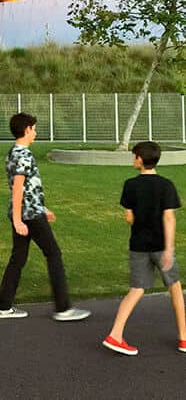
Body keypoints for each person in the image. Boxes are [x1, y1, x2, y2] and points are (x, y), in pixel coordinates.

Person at [0, 113, 90, 321]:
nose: (36, 133)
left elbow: (28, 187)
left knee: (18, 258)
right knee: (53, 253)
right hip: (29, 215)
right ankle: (63, 308)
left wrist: (42, 208)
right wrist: (20, 219)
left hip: (29, 211)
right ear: (27, 129)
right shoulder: (24, 155)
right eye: (34, 129)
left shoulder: (13, 152)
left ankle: (3, 306)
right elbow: (18, 188)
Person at [102, 141, 186, 355]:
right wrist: (168, 249)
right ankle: (184, 339)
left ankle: (115, 334)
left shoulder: (130, 185)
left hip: (138, 245)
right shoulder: (166, 185)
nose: (133, 159)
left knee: (136, 289)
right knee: (175, 289)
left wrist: (138, 219)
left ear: (140, 159)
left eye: (134, 156)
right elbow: (169, 217)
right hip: (161, 247)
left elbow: (129, 217)